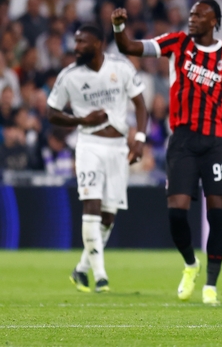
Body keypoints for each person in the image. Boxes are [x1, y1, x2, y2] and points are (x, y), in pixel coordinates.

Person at [110, 0, 222, 306]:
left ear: (215, 20)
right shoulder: (178, 42)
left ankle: (211, 285)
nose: (192, 19)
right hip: (183, 140)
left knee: (217, 213)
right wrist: (119, 27)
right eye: (191, 14)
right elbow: (130, 48)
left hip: (217, 142)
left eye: (200, 15)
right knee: (176, 212)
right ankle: (190, 264)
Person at [47, 24, 148, 293]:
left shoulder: (121, 67)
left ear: (98, 44)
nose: (77, 46)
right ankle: (101, 276)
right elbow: (51, 112)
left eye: (82, 42)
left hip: (118, 147)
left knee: (108, 215)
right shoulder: (69, 75)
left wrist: (139, 140)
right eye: (76, 41)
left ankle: (81, 269)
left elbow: (140, 105)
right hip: (89, 145)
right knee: (90, 204)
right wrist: (81, 119)